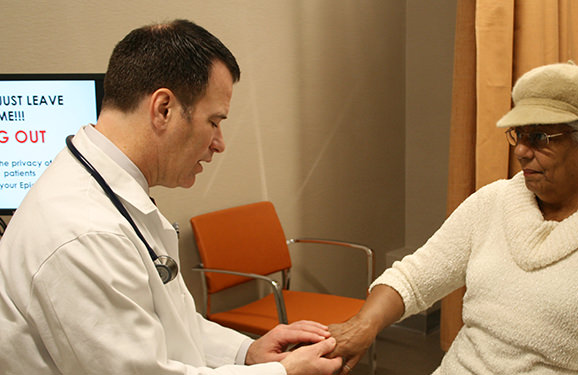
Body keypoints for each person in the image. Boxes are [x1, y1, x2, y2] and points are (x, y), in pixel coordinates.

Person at [0, 20, 342, 375]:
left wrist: (246, 352)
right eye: (214, 121)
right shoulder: (83, 234)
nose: (219, 143)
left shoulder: (109, 192)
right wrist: (284, 373)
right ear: (163, 109)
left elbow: (172, 323)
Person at [329, 63, 578, 374]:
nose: (521, 151)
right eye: (519, 135)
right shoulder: (492, 202)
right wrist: (365, 325)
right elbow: (417, 277)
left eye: (539, 137)